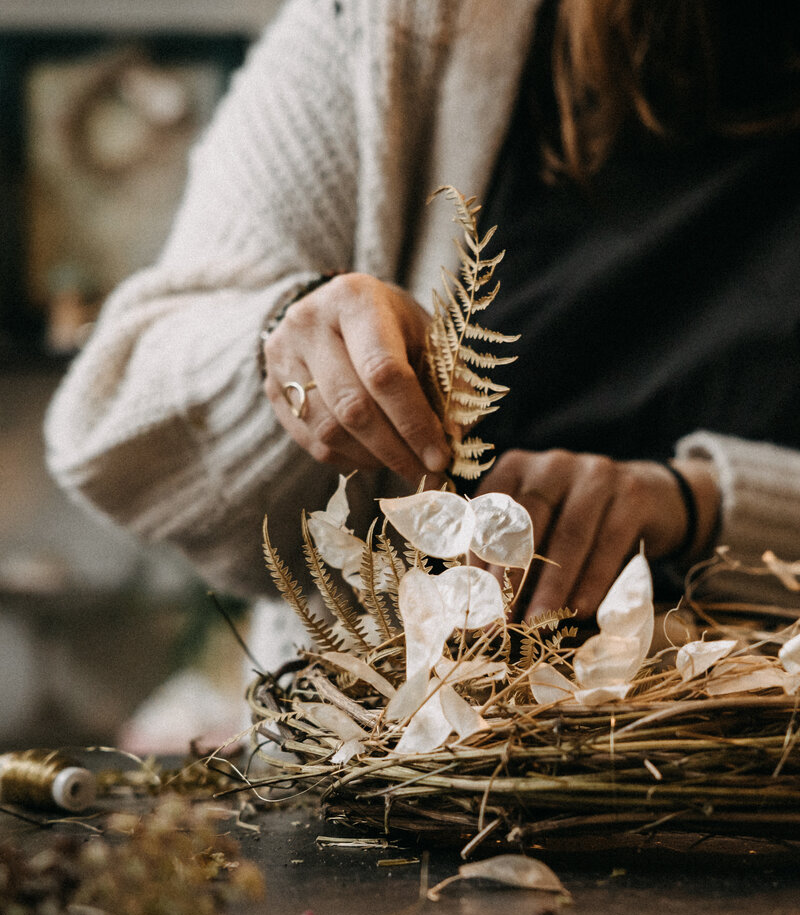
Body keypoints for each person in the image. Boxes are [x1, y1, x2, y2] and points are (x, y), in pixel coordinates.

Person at [45, 0, 800, 670]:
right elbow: (110, 422)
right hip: (393, 780)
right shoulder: (398, 28)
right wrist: (287, 342)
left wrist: (702, 505)